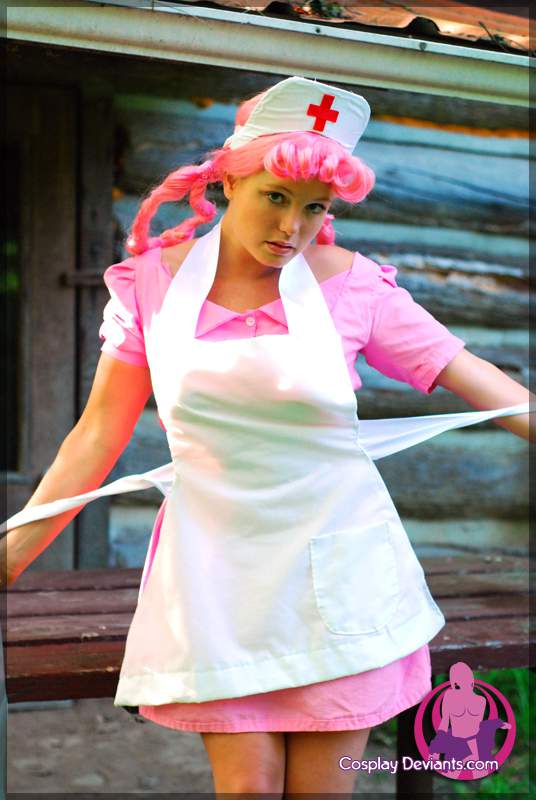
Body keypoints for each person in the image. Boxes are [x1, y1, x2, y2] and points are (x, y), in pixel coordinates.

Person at [1, 76, 533, 796]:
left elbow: (479, 380)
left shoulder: (353, 287)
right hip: (217, 580)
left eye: (314, 208)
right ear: (229, 183)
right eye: (275, 197)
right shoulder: (151, 286)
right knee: (248, 789)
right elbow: (96, 435)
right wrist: (11, 557)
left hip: (342, 575)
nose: (292, 226)